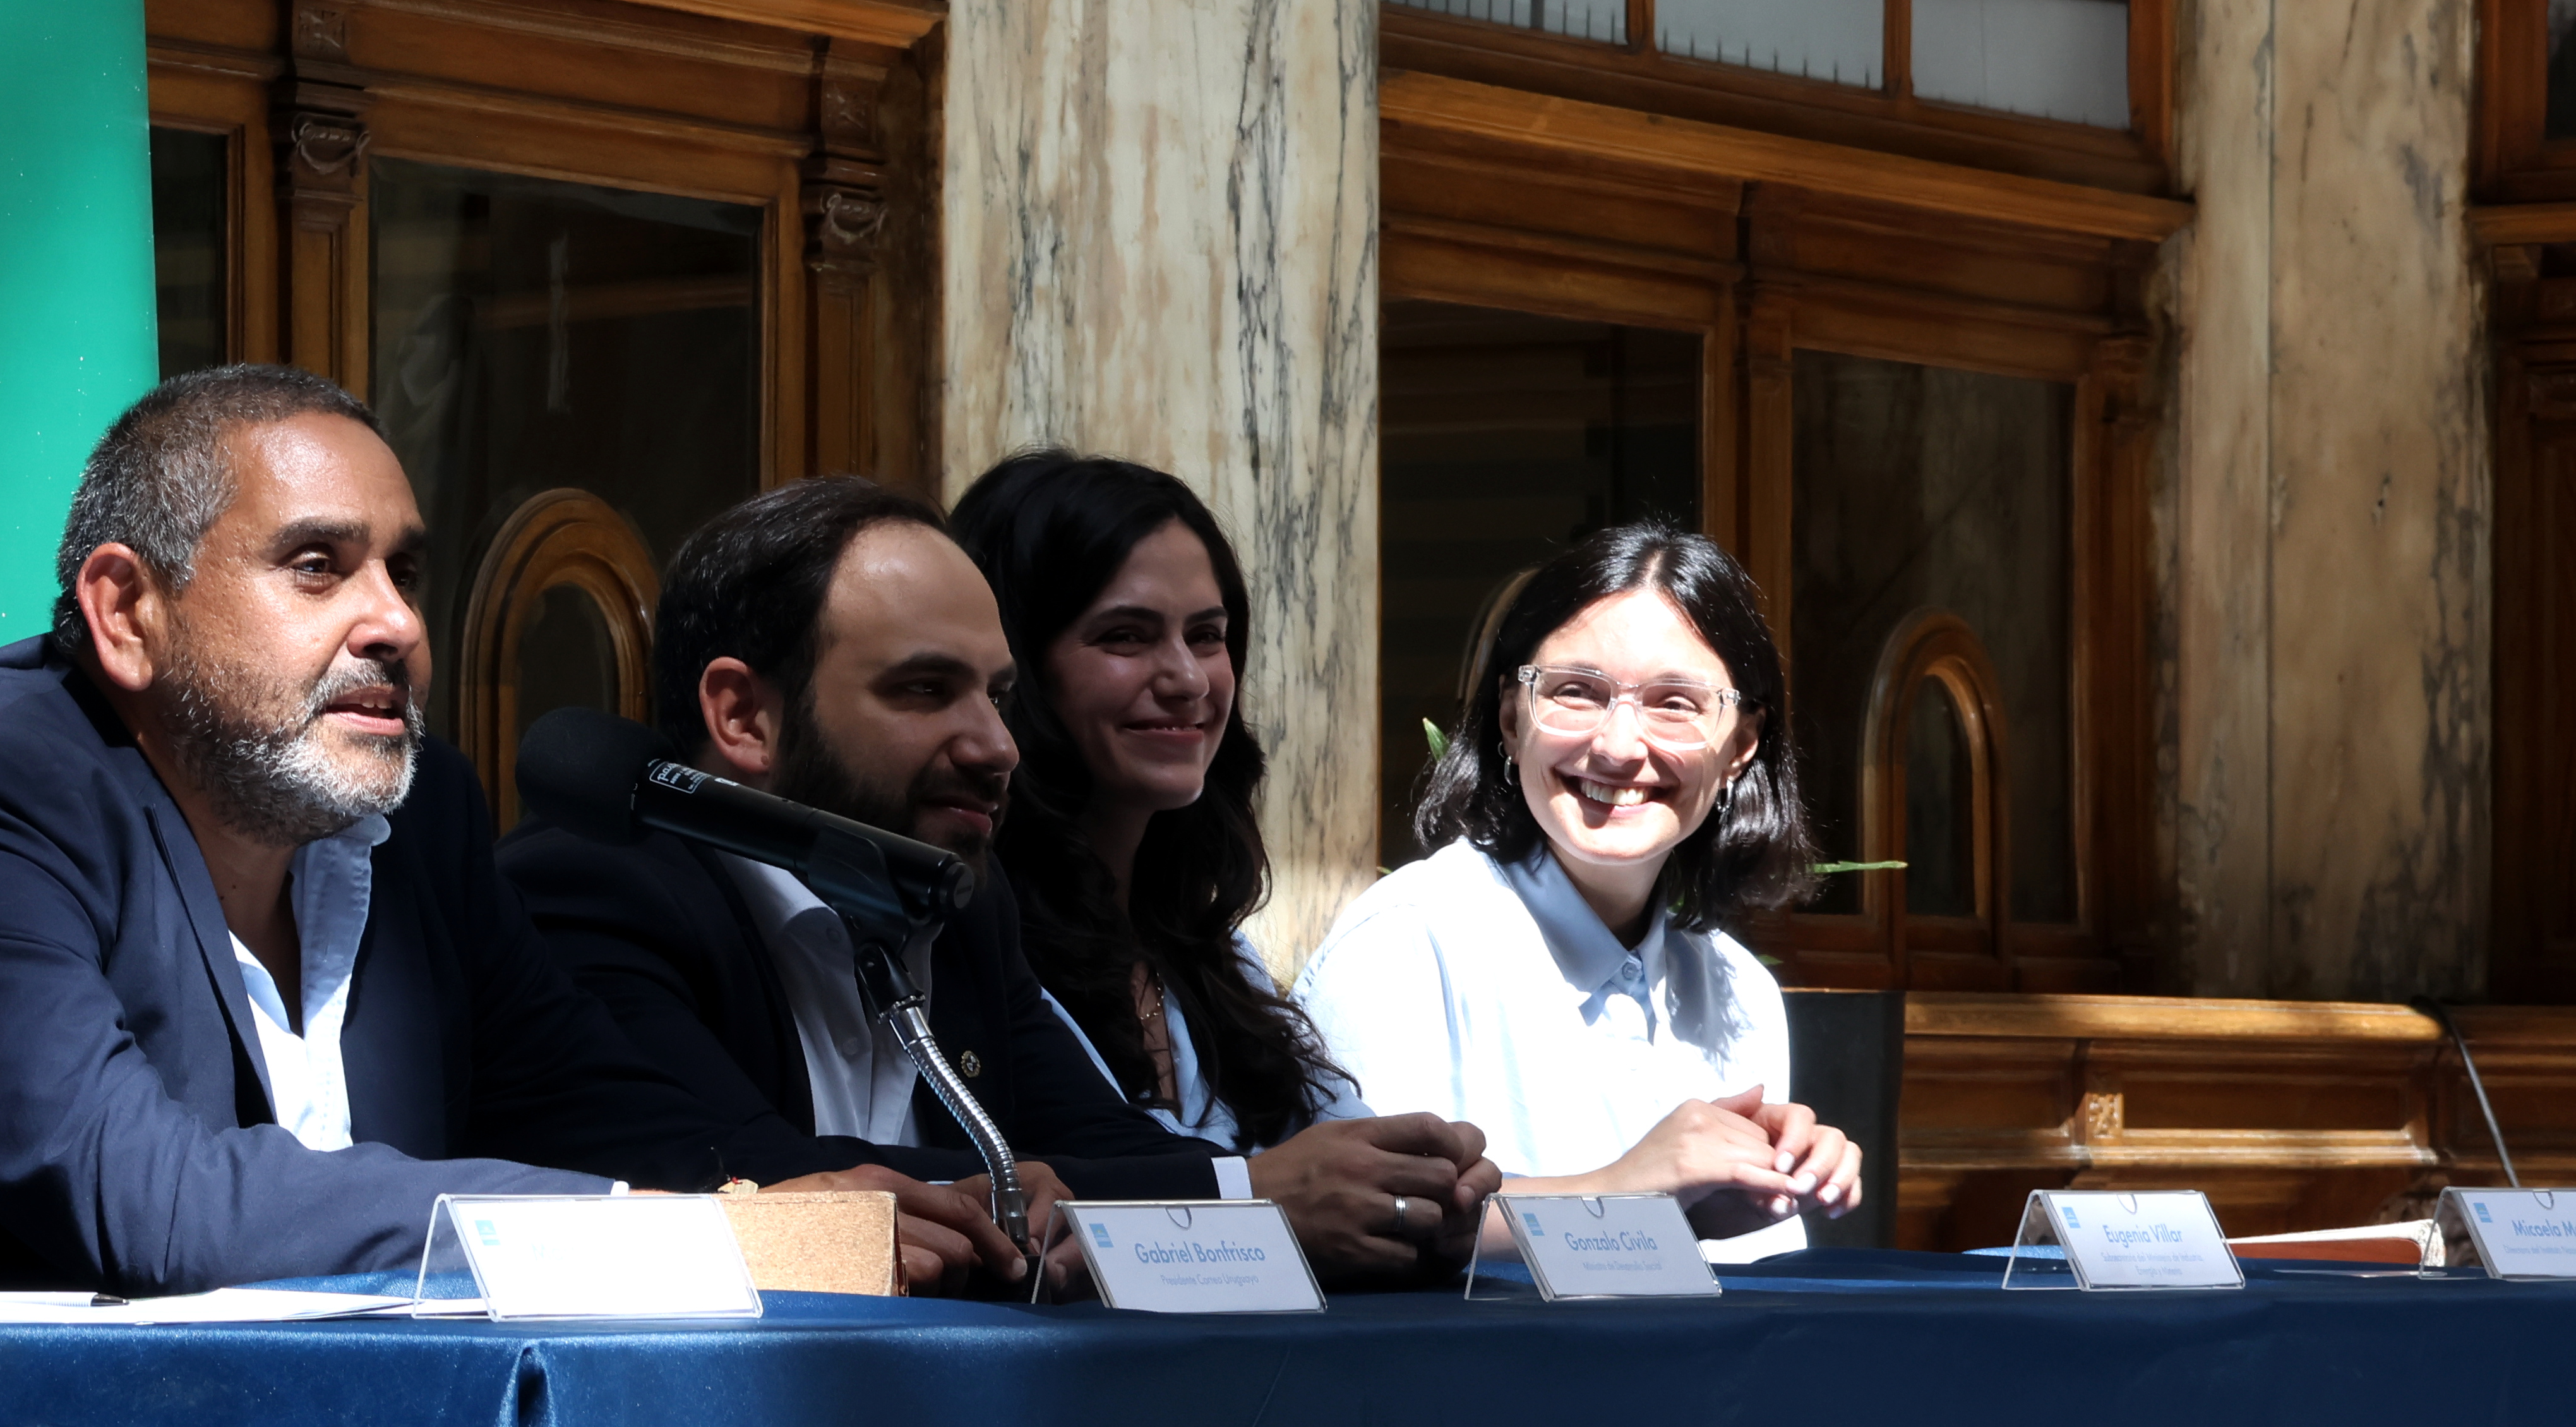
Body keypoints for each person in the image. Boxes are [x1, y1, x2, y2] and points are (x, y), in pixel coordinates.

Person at [0, 363, 777, 1298]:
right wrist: (631, 1226)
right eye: (319, 567)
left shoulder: (421, 813)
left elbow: (583, 1103)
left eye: (405, 573)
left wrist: (803, 1195)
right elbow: (158, 1209)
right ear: (127, 613)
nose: (397, 623)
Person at [503, 478, 1495, 1291]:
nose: (997, 747)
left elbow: (1097, 1149)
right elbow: (759, 1179)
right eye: (927, 692)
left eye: (1002, 696)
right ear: (743, 717)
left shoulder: (963, 906)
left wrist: (1370, 1190)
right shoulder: (591, 893)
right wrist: (1258, 1197)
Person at [950, 450, 1495, 1275]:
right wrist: (1270, 1200)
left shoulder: (1207, 946)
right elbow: (1082, 1201)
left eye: (1207, 636)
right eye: (1125, 636)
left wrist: (1425, 1193)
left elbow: (1338, 1163)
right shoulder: (965, 936)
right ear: (1010, 669)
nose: (1186, 679)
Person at [1297, 520, 1860, 1261]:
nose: (1619, 745)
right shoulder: (1409, 944)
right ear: (1510, 716)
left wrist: (1776, 1180)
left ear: (1742, 744)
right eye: (1575, 692)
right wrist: (1629, 1189)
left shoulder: (1739, 991)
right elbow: (1369, 1232)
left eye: (1675, 703)